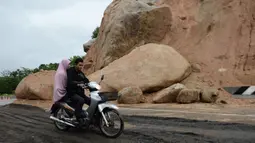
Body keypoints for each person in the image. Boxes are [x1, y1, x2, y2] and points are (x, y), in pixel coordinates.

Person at [66, 57, 91, 124]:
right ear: (75, 64)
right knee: (81, 100)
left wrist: (89, 84)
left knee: (91, 101)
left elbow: (86, 80)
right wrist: (79, 83)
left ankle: (90, 117)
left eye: (82, 65)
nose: (81, 67)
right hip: (72, 93)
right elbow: (70, 82)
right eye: (79, 65)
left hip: (80, 93)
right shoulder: (70, 71)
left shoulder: (80, 73)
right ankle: (77, 117)